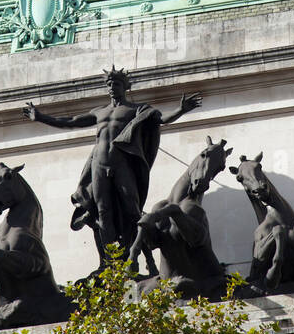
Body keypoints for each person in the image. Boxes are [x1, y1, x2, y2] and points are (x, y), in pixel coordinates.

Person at [23, 67, 202, 264]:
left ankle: (141, 256)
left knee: (132, 209)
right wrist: (40, 117)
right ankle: (111, 263)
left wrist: (181, 110)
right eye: (108, 84)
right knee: (102, 212)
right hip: (99, 164)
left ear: (126, 87)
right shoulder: (99, 112)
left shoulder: (137, 110)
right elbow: (70, 122)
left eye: (116, 84)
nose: (111, 87)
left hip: (122, 164)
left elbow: (161, 120)